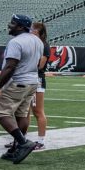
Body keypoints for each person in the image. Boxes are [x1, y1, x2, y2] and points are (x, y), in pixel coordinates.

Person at [0, 14, 44, 164]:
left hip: (18, 82)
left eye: (13, 23)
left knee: (0, 113)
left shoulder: (16, 42)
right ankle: (15, 149)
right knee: (21, 115)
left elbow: (10, 66)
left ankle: (22, 143)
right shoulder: (37, 40)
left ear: (20, 26)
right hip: (33, 82)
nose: (9, 25)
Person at [31, 21, 50, 150]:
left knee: (38, 111)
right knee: (23, 111)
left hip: (37, 79)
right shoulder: (31, 43)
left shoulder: (44, 45)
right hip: (27, 78)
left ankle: (41, 141)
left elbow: (40, 66)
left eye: (34, 31)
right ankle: (20, 139)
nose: (31, 32)